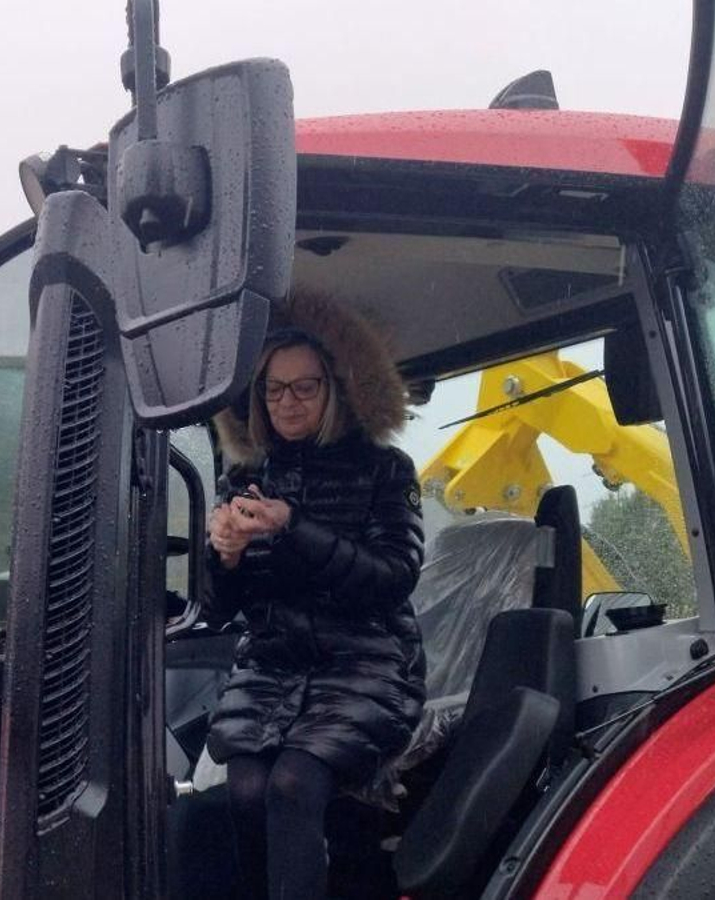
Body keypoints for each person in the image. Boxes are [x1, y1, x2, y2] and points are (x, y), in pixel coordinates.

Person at [205, 293, 425, 900]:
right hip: (273, 666)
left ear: (335, 389)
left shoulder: (386, 470)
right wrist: (225, 555)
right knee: (245, 789)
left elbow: (394, 576)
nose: (288, 402)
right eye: (274, 389)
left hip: (368, 663)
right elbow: (220, 608)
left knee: (293, 784)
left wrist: (292, 527)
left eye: (304, 387)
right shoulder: (243, 478)